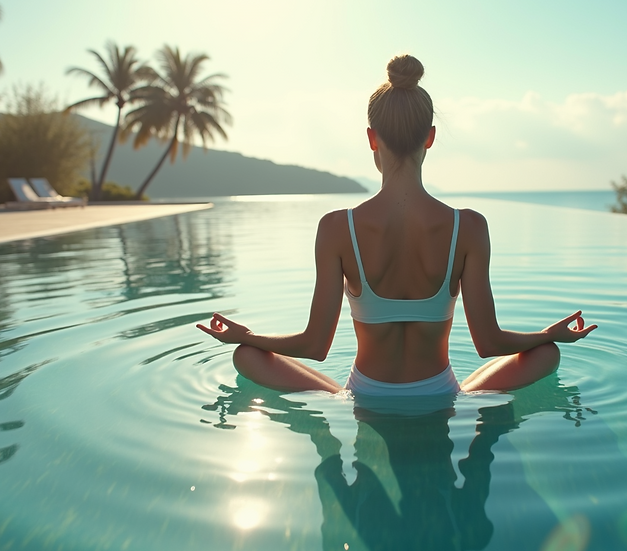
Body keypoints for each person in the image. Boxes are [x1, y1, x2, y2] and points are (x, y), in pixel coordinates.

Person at [197, 54, 597, 395]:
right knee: (548, 353)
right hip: (441, 395)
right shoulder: (469, 227)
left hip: (365, 397)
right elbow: (488, 343)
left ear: (372, 138)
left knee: (245, 356)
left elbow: (315, 346)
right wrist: (550, 334)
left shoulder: (337, 228)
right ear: (431, 137)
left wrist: (244, 336)